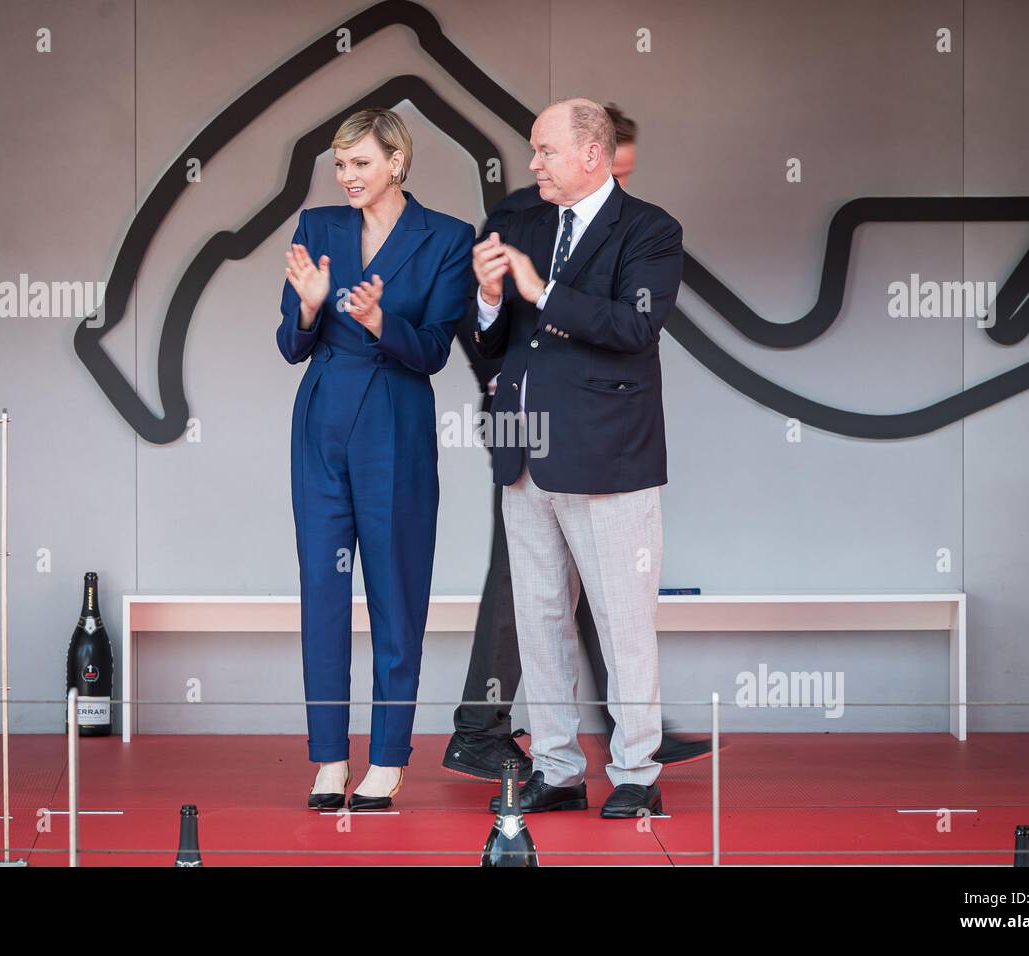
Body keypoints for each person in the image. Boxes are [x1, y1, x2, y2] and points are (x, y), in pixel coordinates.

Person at [445, 104, 708, 785]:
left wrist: (541, 288)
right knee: (539, 627)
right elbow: (491, 343)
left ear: (591, 155)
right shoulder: (516, 222)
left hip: (609, 459)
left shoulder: (649, 229)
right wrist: (491, 298)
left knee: (624, 626)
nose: (532, 163)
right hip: (525, 459)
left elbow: (633, 327)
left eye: (545, 151)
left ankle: (635, 778)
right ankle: (557, 772)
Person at [276, 108, 475, 811]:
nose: (347, 176)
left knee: (396, 592)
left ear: (396, 160)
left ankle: (388, 758)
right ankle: (329, 756)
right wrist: (308, 309)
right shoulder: (317, 227)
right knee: (322, 593)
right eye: (339, 165)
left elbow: (434, 351)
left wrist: (378, 322)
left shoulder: (447, 238)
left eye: (360, 162)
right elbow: (290, 346)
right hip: (323, 417)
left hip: (396, 418)